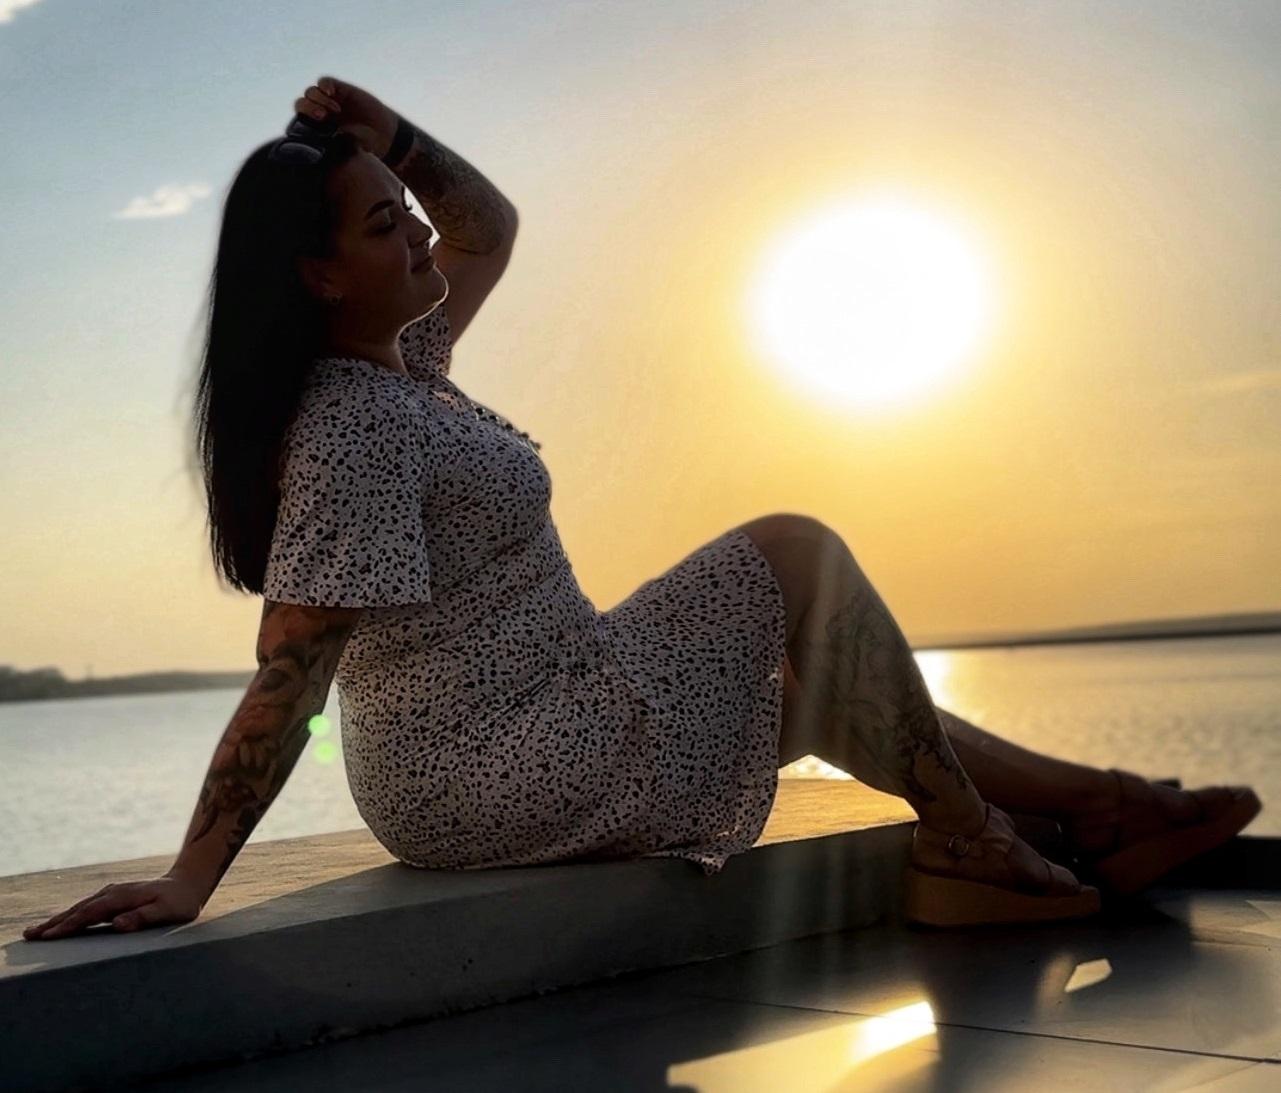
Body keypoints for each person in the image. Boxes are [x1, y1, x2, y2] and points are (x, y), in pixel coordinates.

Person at [23, 78, 1261, 942]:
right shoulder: (354, 425)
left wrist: (391, 135)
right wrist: (192, 876)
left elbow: (488, 225)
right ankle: (979, 841)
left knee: (801, 684)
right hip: (481, 766)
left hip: (548, 702)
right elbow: (293, 668)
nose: (419, 233)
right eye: (383, 225)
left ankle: (1100, 811)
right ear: (318, 276)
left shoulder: (409, 370)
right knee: (794, 553)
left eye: (404, 211)